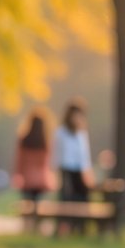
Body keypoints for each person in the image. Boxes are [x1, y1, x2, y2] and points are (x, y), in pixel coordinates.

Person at [54, 99, 94, 234]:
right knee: (67, 199)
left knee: (82, 198)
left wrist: (88, 173)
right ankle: (65, 228)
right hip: (66, 169)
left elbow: (85, 156)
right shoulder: (61, 133)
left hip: (80, 171)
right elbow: (57, 155)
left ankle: (81, 227)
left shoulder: (81, 133)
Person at [13, 108, 54, 204]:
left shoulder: (24, 140)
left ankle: (29, 219)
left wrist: (18, 175)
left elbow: (20, 161)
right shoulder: (44, 141)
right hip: (41, 180)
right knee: (39, 207)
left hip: (27, 179)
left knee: (27, 205)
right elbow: (46, 162)